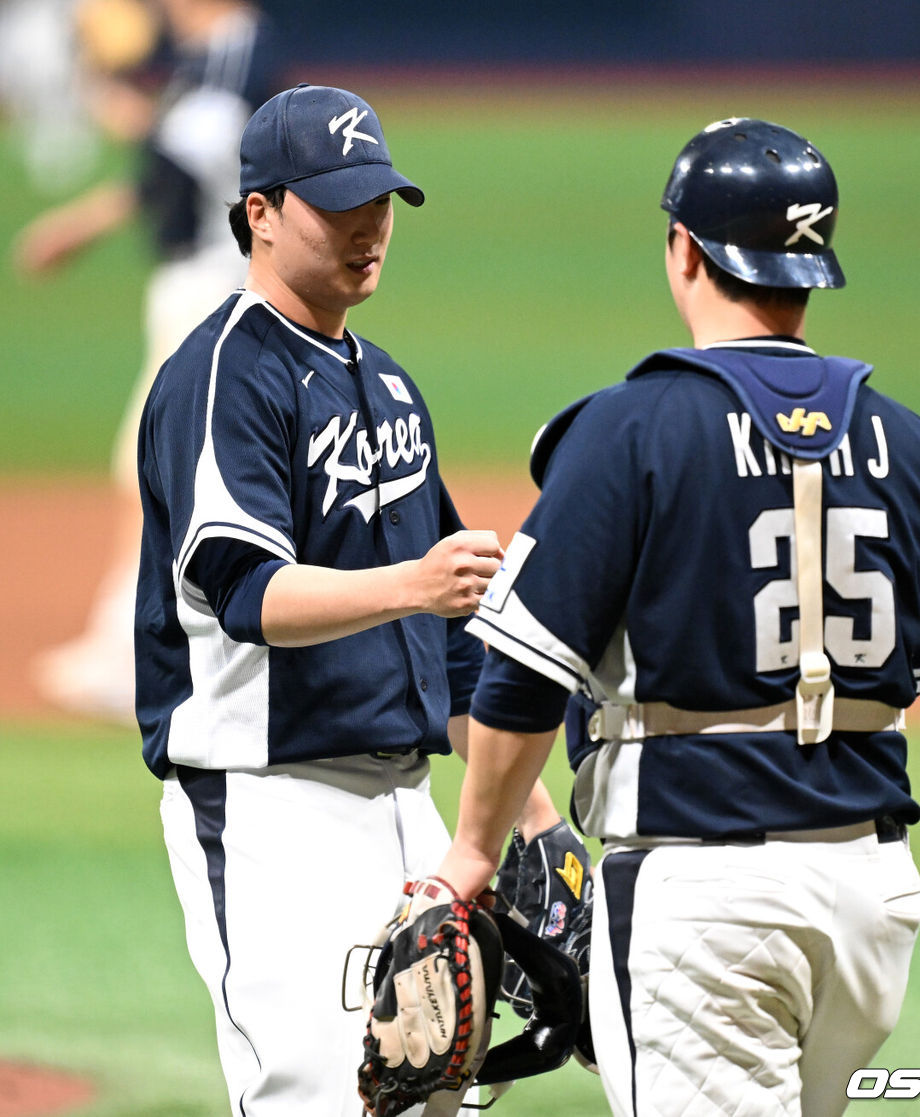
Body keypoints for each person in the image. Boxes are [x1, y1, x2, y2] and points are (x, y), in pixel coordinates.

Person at [434, 118, 920, 1116]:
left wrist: (474, 852)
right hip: (872, 900)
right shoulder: (912, 442)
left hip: (706, 901)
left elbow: (519, 673)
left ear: (684, 249)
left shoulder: (627, 428)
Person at [135, 82, 563, 1116]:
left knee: (424, 1095)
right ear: (261, 213)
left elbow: (454, 636)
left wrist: (532, 825)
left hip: (407, 810)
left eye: (380, 199)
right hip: (272, 804)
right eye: (338, 203)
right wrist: (411, 584)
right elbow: (244, 586)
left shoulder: (390, 385)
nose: (369, 226)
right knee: (317, 1098)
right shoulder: (224, 370)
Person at [14, 0, 282, 721]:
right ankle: (146, 648)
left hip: (212, 281)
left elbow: (189, 157)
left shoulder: (234, 49)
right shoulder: (211, 58)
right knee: (161, 465)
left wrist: (104, 97)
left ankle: (136, 657)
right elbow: (177, 152)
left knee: (157, 465)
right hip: (196, 281)